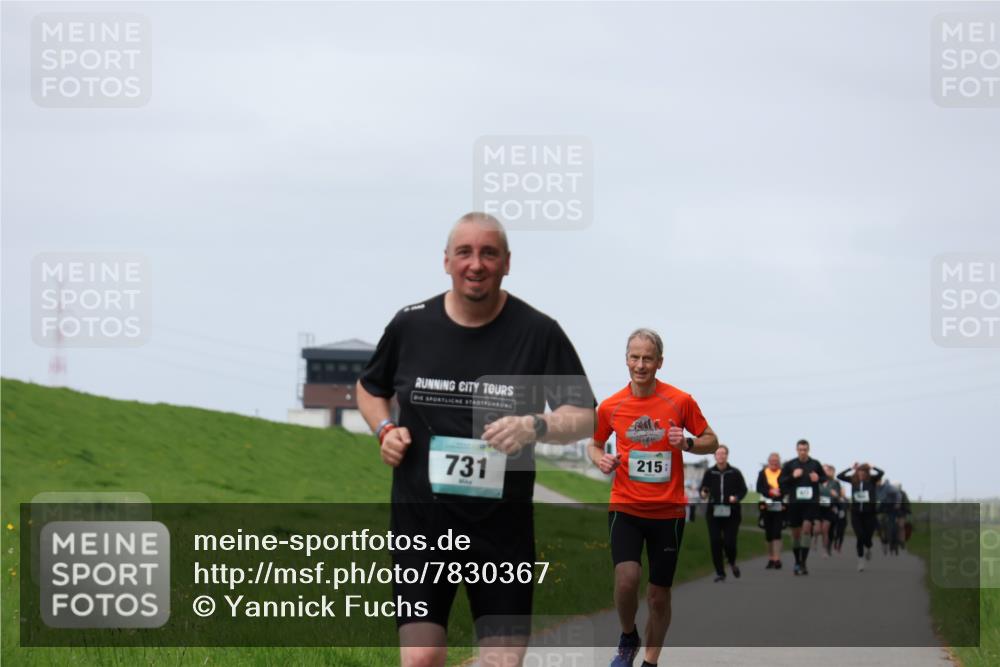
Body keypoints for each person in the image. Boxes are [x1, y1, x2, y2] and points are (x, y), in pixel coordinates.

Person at [356, 212, 596, 667]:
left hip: (501, 531)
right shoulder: (411, 325)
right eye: (464, 252)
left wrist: (535, 425)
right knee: (422, 657)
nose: (476, 263)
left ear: (507, 263)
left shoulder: (538, 331)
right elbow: (370, 388)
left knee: (501, 662)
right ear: (446, 261)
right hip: (422, 527)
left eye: (489, 252)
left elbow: (585, 416)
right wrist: (384, 429)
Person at [589, 328, 719, 667]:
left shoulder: (680, 401)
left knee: (658, 596)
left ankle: (650, 661)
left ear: (660, 362)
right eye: (635, 357)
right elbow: (594, 443)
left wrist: (687, 443)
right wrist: (600, 459)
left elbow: (710, 438)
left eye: (648, 358)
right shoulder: (611, 406)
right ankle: (628, 635)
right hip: (626, 506)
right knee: (627, 578)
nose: (641, 365)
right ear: (626, 359)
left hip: (668, 512)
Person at [699, 445, 748, 582]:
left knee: (729, 542)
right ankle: (720, 572)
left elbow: (743, 490)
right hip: (713, 512)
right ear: (715, 456)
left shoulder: (735, 473)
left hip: (731, 512)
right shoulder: (709, 473)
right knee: (715, 542)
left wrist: (736, 498)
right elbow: (703, 489)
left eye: (723, 454)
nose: (720, 456)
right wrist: (703, 493)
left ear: (727, 456)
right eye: (718, 454)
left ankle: (732, 562)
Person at [779, 439, 827, 576]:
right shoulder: (790, 464)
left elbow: (824, 478)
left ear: (808, 450)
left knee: (806, 529)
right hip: (795, 503)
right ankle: (796, 561)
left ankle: (803, 563)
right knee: (796, 534)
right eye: (800, 449)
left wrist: (818, 478)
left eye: (805, 449)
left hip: (810, 503)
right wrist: (793, 476)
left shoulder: (815, 464)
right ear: (796, 450)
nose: (803, 452)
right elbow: (781, 481)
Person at [837, 462, 884, 571]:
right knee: (860, 536)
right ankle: (860, 560)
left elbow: (881, 473)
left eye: (863, 473)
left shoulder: (872, 481)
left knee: (867, 537)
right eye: (859, 473)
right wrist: (850, 468)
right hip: (856, 514)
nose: (861, 475)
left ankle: (868, 547)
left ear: (867, 473)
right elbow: (839, 476)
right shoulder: (853, 481)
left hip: (869, 514)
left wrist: (873, 467)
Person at [755, 452, 786, 569]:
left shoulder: (783, 473)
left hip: (779, 505)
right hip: (766, 505)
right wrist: (770, 491)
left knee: (777, 533)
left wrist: (780, 492)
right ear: (768, 462)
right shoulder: (762, 473)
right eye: (772, 461)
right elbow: (759, 488)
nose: (774, 463)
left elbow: (787, 488)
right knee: (768, 534)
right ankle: (771, 558)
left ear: (779, 462)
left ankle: (777, 558)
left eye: (776, 461)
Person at [816, 464, 842, 558]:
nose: (824, 471)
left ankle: (825, 550)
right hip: (818, 508)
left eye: (826, 470)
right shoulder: (817, 482)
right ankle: (814, 543)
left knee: (825, 530)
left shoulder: (834, 483)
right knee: (817, 529)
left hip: (829, 508)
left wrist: (835, 496)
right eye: (823, 470)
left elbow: (838, 496)